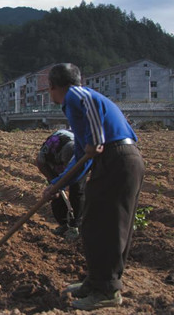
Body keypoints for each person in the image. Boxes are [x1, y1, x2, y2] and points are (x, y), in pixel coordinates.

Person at [42, 63, 144, 310]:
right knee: (93, 223)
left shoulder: (77, 95)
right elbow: (80, 157)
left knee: (107, 226)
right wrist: (57, 184)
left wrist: (97, 140)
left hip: (117, 158)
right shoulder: (77, 110)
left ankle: (107, 290)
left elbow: (93, 141)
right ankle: (96, 282)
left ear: (54, 87)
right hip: (115, 161)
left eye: (49, 90)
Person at [36, 129, 86, 240]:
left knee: (77, 191)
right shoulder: (51, 148)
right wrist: (55, 182)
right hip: (54, 166)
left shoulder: (80, 149)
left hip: (77, 165)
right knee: (56, 193)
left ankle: (75, 225)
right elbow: (40, 162)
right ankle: (63, 224)